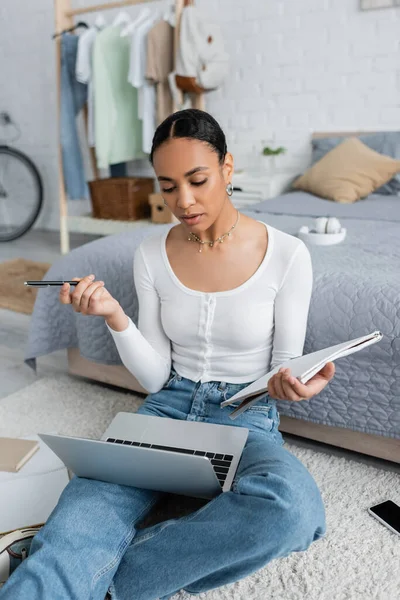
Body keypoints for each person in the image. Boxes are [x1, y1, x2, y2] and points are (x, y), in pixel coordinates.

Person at [0, 109, 335, 600]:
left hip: (245, 417)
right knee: (81, 518)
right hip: (167, 408)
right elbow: (156, 378)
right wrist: (116, 315)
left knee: (294, 510)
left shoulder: (287, 254)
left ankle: (102, 584)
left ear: (227, 168)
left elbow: (282, 368)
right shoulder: (151, 254)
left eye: (198, 180)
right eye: (168, 185)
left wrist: (290, 383)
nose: (184, 200)